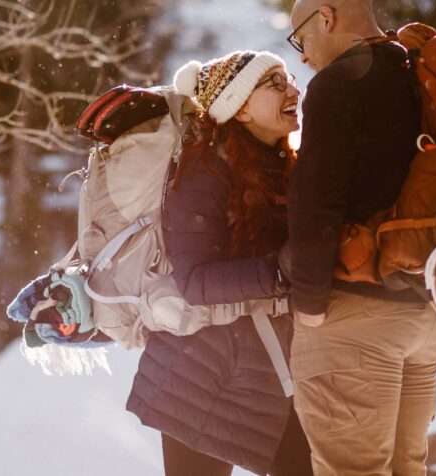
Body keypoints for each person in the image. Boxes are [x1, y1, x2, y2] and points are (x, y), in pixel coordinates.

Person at [279, 0, 436, 475]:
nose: (305, 55)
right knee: (407, 467)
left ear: (326, 18)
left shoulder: (337, 86)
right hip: (426, 314)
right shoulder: (419, 73)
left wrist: (309, 300)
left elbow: (315, 202)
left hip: (356, 318)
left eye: (302, 38)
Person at [125, 50, 313, 476]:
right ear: (240, 108)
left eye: (290, 79)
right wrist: (278, 271)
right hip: (198, 377)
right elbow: (193, 280)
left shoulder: (285, 165)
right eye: (275, 83)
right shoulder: (204, 172)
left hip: (264, 371)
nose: (293, 89)